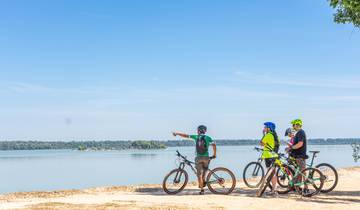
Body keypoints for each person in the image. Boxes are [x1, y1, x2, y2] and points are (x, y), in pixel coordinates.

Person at [172, 125, 217, 195]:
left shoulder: (196, 137)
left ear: (198, 131)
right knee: (204, 171)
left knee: (199, 175)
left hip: (198, 158)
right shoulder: (208, 137)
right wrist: (214, 154)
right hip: (206, 157)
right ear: (205, 131)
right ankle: (204, 181)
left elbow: (186, 136)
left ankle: (202, 190)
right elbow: (214, 145)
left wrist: (177, 133)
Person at [286, 119, 308, 194]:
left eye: (293, 125)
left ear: (297, 125)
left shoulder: (301, 132)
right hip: (297, 155)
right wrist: (290, 148)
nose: (293, 127)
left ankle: (306, 188)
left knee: (303, 172)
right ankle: (299, 187)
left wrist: (291, 147)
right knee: (300, 172)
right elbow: (296, 144)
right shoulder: (298, 133)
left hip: (300, 155)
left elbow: (300, 144)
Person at [260, 122, 280, 196]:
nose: (264, 128)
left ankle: (274, 190)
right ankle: (274, 189)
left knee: (271, 174)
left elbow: (261, 143)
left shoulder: (268, 135)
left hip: (268, 156)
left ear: (269, 128)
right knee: (273, 173)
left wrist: (263, 134)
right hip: (273, 155)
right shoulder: (274, 135)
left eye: (265, 127)